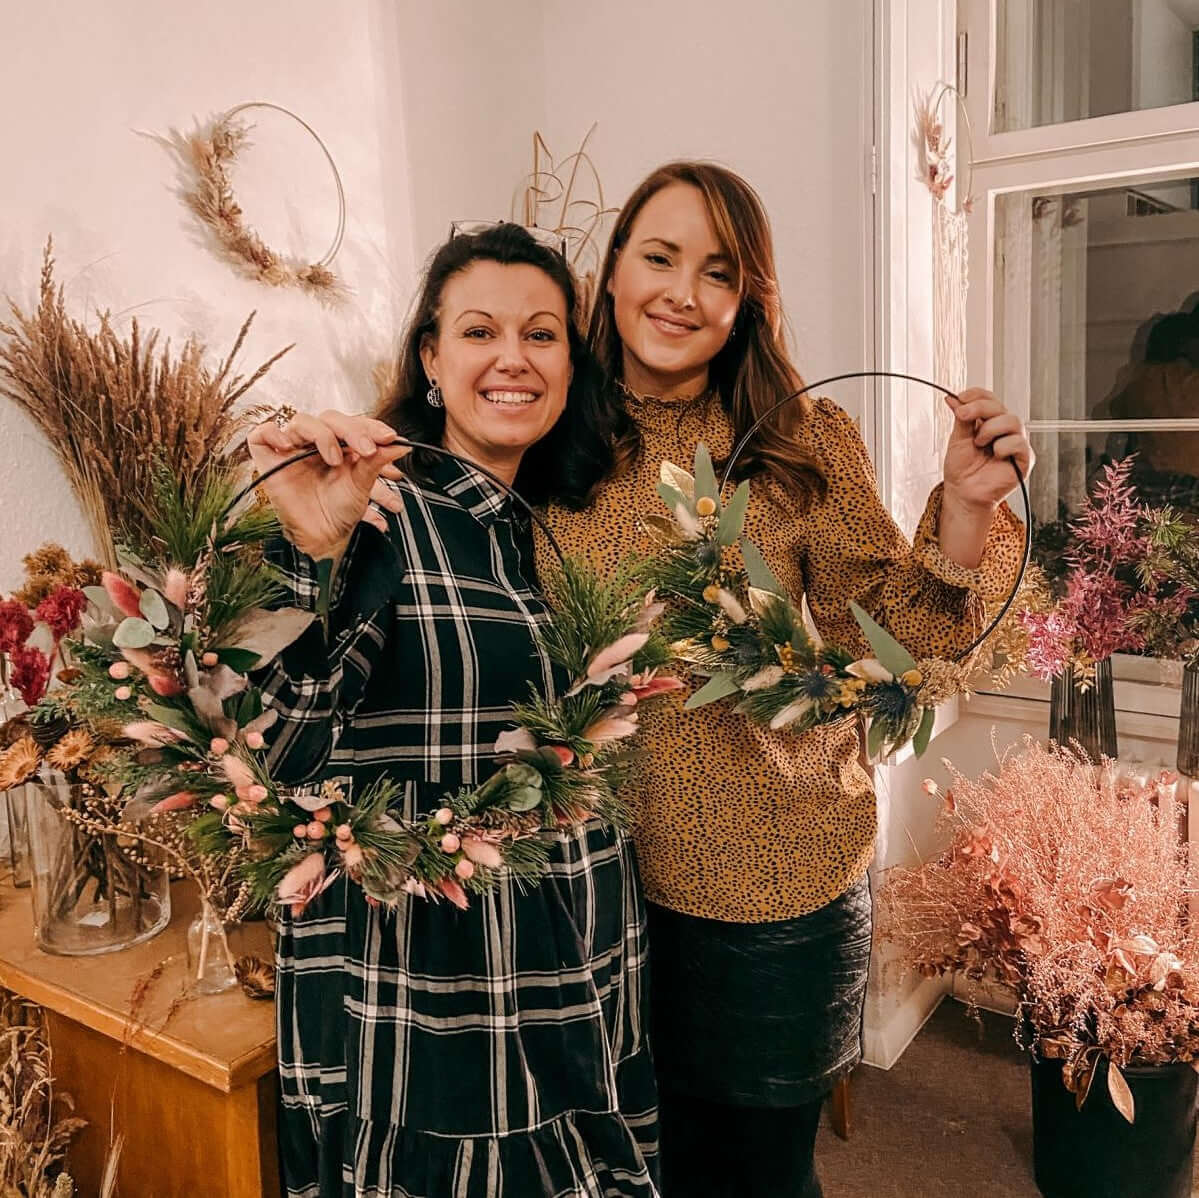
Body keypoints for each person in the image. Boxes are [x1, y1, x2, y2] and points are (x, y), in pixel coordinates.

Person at [541, 162, 1033, 1197]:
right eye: (658, 257)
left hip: (771, 883)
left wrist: (960, 509)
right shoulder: (550, 439)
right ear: (612, 269)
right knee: (635, 1163)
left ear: (747, 300)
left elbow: (886, 633)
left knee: (757, 1173)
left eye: (715, 272)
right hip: (591, 886)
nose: (680, 292)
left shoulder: (799, 441)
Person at [250, 223, 659, 1198]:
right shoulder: (374, 504)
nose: (512, 357)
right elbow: (275, 760)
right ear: (430, 357)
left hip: (572, 942)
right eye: (479, 331)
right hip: (436, 984)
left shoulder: (549, 526)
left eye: (542, 333)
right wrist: (309, 558)